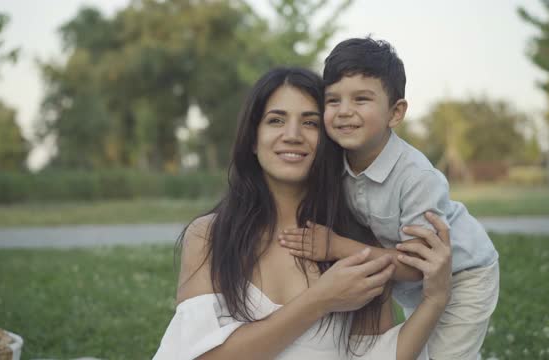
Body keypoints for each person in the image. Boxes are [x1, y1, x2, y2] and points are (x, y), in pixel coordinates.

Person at [152, 67, 452, 360]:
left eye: (310, 123)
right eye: (276, 120)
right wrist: (321, 300)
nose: (292, 135)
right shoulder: (210, 235)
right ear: (253, 139)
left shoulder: (356, 240)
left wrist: (435, 299)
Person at [278, 38, 500, 360]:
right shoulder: (335, 162)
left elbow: (418, 268)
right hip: (412, 282)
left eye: (361, 99)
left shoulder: (417, 178)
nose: (344, 112)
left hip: (462, 275)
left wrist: (335, 246)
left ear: (395, 113)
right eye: (333, 100)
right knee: (422, 348)